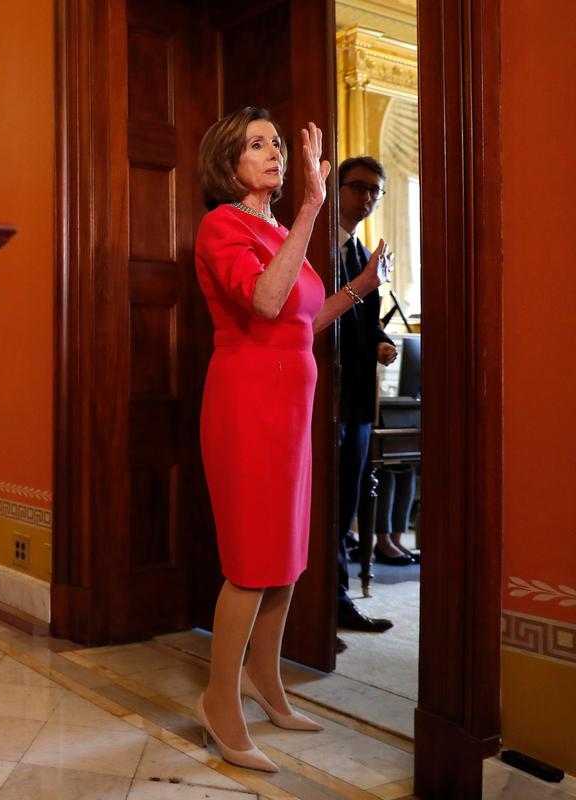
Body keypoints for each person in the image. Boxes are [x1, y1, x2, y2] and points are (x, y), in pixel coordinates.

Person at [193, 107, 390, 772]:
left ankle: (266, 683)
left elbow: (303, 320)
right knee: (251, 564)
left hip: (289, 415)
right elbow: (267, 303)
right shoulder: (222, 225)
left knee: (285, 560)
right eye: (257, 144)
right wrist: (312, 207)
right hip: (246, 408)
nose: (273, 151)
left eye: (277, 142)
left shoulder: (275, 229)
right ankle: (220, 699)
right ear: (229, 162)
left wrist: (358, 290)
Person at [335, 156, 402, 648]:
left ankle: (336, 600)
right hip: (321, 395)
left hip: (357, 396)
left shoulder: (363, 253)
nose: (366, 197)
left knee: (345, 502)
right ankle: (322, 602)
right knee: (322, 502)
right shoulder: (318, 247)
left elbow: (364, 321)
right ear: (337, 189)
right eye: (358, 186)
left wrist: (380, 340)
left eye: (375, 191)